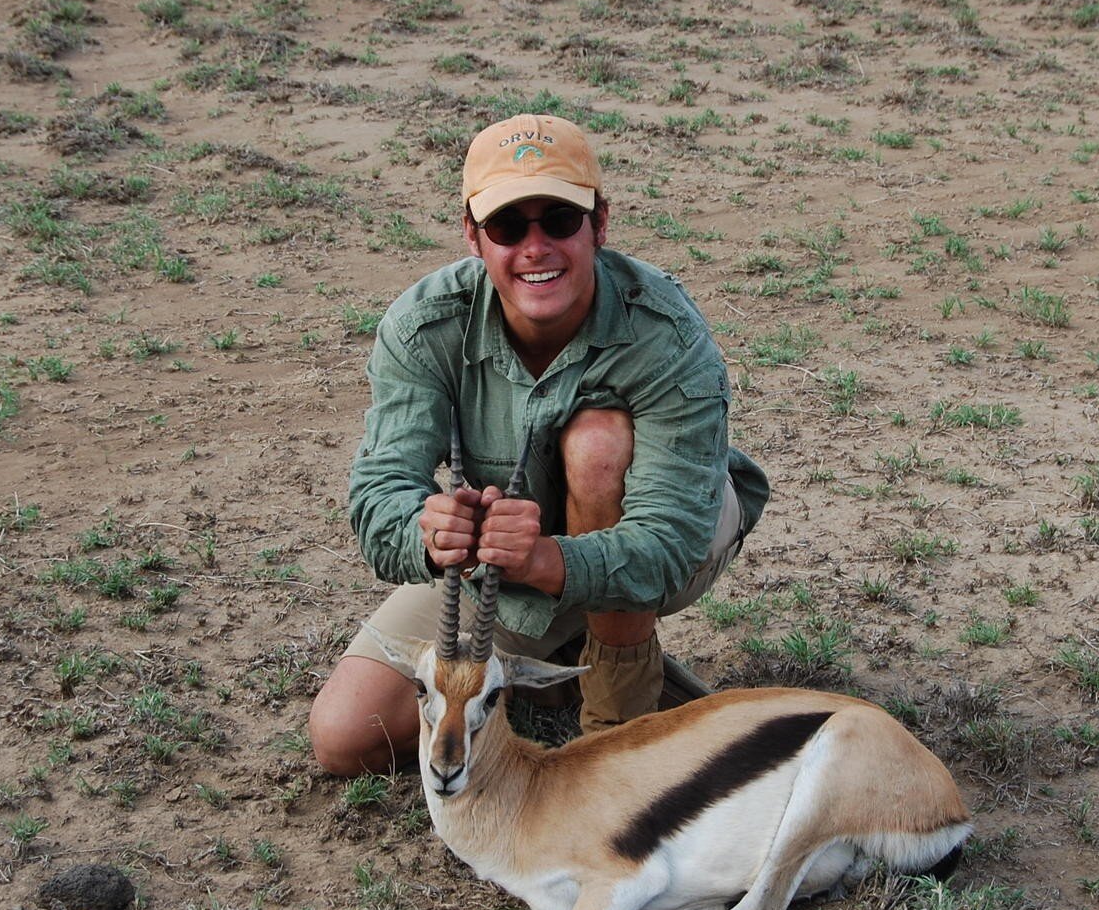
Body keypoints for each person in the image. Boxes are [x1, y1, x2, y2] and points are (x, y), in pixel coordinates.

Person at [308, 113, 769, 776]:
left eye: (558, 219)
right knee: (347, 735)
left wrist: (548, 559)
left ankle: (618, 723)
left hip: (671, 526)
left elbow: (669, 544)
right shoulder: (423, 325)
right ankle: (565, 656)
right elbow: (379, 501)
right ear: (473, 235)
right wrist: (430, 533)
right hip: (505, 564)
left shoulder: (664, 331)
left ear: (599, 224)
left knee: (597, 445)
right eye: (506, 226)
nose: (535, 246)